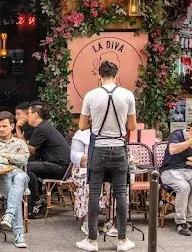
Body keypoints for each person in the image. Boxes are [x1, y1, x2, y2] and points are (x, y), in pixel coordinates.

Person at [76, 60, 137, 252]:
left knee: (94, 193)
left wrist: (97, 120)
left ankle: (92, 240)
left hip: (99, 149)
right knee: (120, 193)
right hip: (119, 147)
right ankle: (122, 240)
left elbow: (82, 126)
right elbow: (132, 126)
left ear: (98, 76)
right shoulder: (127, 95)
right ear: (117, 75)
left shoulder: (91, 95)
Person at [0, 111, 30, 248]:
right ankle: (18, 235)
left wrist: (3, 155)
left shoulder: (20, 142)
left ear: (12, 126)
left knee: (21, 176)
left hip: (18, 174)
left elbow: (24, 159)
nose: (1, 129)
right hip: (0, 176)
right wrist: (12, 156)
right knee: (14, 194)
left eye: (4, 126)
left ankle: (9, 214)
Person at [160, 118, 192, 236]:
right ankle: (180, 222)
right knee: (184, 187)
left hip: (188, 170)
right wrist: (191, 141)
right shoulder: (177, 134)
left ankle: (190, 220)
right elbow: (172, 150)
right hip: (169, 170)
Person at [24, 102, 70, 219]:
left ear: (35, 115)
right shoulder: (45, 126)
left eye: (28, 113)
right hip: (60, 166)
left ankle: (36, 200)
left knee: (26, 167)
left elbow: (30, 150)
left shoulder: (41, 129)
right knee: (30, 168)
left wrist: (18, 133)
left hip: (60, 167)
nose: (26, 116)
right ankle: (36, 199)